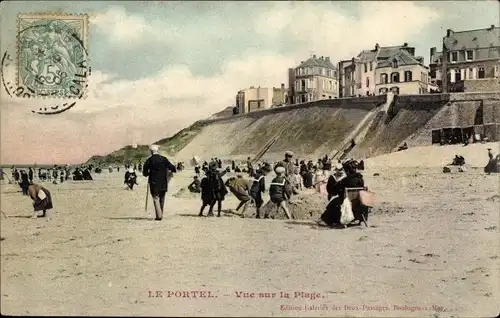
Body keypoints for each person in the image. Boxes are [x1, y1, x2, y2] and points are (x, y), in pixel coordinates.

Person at [320, 160, 365, 227]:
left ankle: (333, 220)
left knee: (333, 203)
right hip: (358, 201)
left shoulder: (346, 180)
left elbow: (335, 190)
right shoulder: (360, 179)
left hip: (346, 201)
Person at [142, 144, 177, 221]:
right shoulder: (163, 159)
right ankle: (160, 214)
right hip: (163, 182)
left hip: (153, 182)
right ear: (157, 151)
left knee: (156, 198)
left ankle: (159, 215)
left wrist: (149, 173)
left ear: (151, 152)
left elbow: (144, 173)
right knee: (162, 198)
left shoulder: (149, 160)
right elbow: (173, 168)